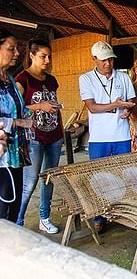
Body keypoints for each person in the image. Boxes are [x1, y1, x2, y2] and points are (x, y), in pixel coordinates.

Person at [79, 41, 136, 232]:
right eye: (103, 60)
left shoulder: (123, 77)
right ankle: (99, 216)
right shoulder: (86, 79)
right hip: (99, 138)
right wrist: (115, 105)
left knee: (122, 175)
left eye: (111, 60)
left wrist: (128, 109)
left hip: (122, 135)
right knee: (99, 178)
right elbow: (92, 107)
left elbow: (132, 99)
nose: (108, 64)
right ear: (94, 59)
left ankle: (121, 213)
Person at [15, 39, 63, 233]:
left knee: (49, 178)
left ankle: (44, 217)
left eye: (49, 56)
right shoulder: (22, 79)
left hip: (55, 135)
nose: (47, 60)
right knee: (30, 182)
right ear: (32, 56)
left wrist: (54, 108)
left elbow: (52, 101)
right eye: (43, 56)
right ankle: (17, 223)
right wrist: (40, 106)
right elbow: (17, 109)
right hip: (33, 137)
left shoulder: (51, 80)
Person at [0, 28, 33, 223]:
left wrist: (30, 114)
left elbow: (18, 108)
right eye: (11, 48)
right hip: (1, 157)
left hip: (16, 153)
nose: (17, 53)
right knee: (2, 210)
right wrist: (18, 122)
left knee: (13, 207)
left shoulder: (10, 79)